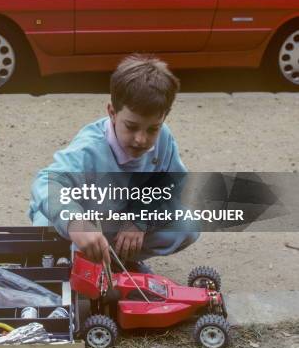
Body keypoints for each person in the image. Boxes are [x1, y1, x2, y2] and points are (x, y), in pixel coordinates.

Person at [28, 54, 199, 272]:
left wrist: (140, 220)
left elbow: (171, 183)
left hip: (118, 221)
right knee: (45, 225)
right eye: (131, 126)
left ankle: (119, 260)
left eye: (152, 129)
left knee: (186, 226)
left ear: (164, 117)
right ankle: (75, 263)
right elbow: (46, 182)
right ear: (112, 112)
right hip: (84, 220)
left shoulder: (164, 138)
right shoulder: (88, 149)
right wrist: (77, 224)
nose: (141, 139)